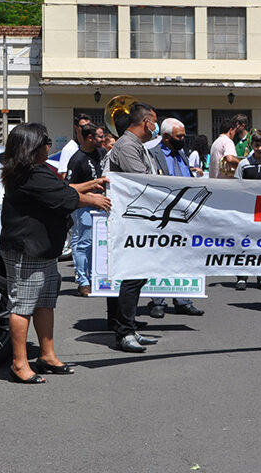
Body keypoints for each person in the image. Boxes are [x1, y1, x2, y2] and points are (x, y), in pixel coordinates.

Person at [0, 122, 111, 383]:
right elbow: (64, 198)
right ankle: (19, 363)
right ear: (32, 148)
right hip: (28, 250)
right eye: (45, 142)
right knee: (22, 306)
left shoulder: (37, 171)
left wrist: (90, 184)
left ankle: (47, 355)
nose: (50, 146)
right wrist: (95, 199)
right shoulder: (28, 174)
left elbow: (63, 190)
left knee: (45, 302)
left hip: (45, 249)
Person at [104, 99, 162, 352]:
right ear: (146, 122)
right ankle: (123, 333)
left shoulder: (139, 145)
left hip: (141, 220)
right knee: (131, 276)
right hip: (131, 220)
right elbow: (142, 181)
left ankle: (129, 327)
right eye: (155, 123)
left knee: (138, 276)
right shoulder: (127, 145)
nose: (156, 128)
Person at [146, 118, 205, 318]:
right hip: (162, 215)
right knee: (160, 257)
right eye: (179, 136)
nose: (183, 139)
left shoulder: (182, 154)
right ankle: (158, 301)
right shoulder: (152, 155)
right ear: (166, 137)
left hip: (183, 215)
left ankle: (183, 300)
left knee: (182, 258)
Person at [64, 123, 105, 297]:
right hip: (83, 208)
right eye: (100, 137)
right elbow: (69, 187)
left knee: (98, 245)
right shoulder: (77, 159)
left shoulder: (101, 153)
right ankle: (83, 282)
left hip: (101, 206)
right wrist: (90, 190)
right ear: (90, 138)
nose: (103, 140)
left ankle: (95, 277)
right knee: (83, 244)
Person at [233, 130, 261, 291]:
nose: (260, 148)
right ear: (251, 145)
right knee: (244, 243)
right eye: (257, 145)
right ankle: (242, 276)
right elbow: (236, 186)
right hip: (247, 211)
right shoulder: (243, 164)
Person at [56, 112, 91, 179]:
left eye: (89, 126)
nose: (87, 129)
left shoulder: (93, 146)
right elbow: (64, 176)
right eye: (83, 127)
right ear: (76, 128)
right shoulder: (68, 149)